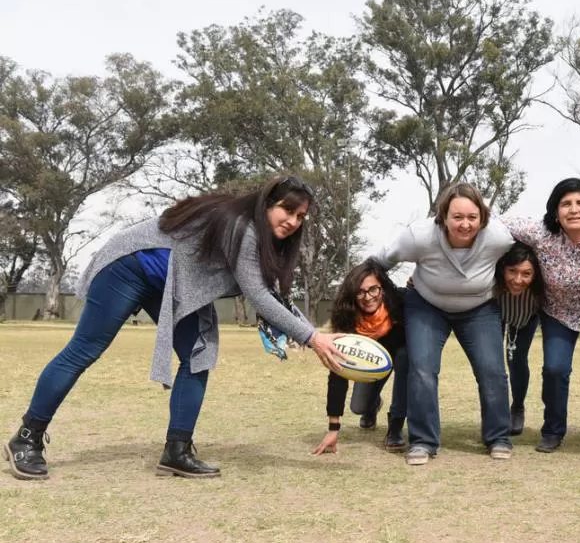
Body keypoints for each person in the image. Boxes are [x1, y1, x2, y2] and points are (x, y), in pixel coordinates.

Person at [3, 176, 345, 481]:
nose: (292, 221)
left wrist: (318, 333)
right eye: (287, 210)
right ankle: (26, 438)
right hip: (130, 265)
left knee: (198, 355)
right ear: (267, 203)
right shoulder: (244, 228)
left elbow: (271, 293)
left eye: (301, 217)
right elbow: (258, 296)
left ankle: (177, 451)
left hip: (172, 281)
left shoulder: (263, 239)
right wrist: (313, 339)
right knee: (84, 350)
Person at [372, 183, 515, 465]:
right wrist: (368, 294)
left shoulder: (499, 237)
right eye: (457, 217)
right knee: (422, 368)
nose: (465, 224)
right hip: (427, 305)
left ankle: (498, 436)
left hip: (479, 307)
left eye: (472, 217)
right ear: (443, 216)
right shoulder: (419, 236)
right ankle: (423, 441)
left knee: (492, 371)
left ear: (483, 217)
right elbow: (379, 261)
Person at [504, 178, 580, 466]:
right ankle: (553, 430)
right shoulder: (540, 234)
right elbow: (498, 222)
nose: (573, 210)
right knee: (555, 368)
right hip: (559, 310)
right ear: (555, 210)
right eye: (565, 204)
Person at [311, 259, 409, 456]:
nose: (368, 297)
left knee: (407, 358)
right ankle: (372, 406)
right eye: (360, 292)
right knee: (358, 407)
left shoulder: (398, 302)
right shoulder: (347, 317)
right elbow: (337, 370)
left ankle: (396, 426)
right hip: (371, 363)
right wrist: (333, 427)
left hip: (399, 356)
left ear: (382, 288)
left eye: (373, 289)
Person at [494, 242, 544, 436]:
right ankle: (495, 412)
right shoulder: (492, 283)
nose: (517, 279)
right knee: (492, 362)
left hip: (527, 318)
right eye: (512, 271)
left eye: (526, 273)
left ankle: (517, 407)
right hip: (496, 314)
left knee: (516, 360)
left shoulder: (540, 290)